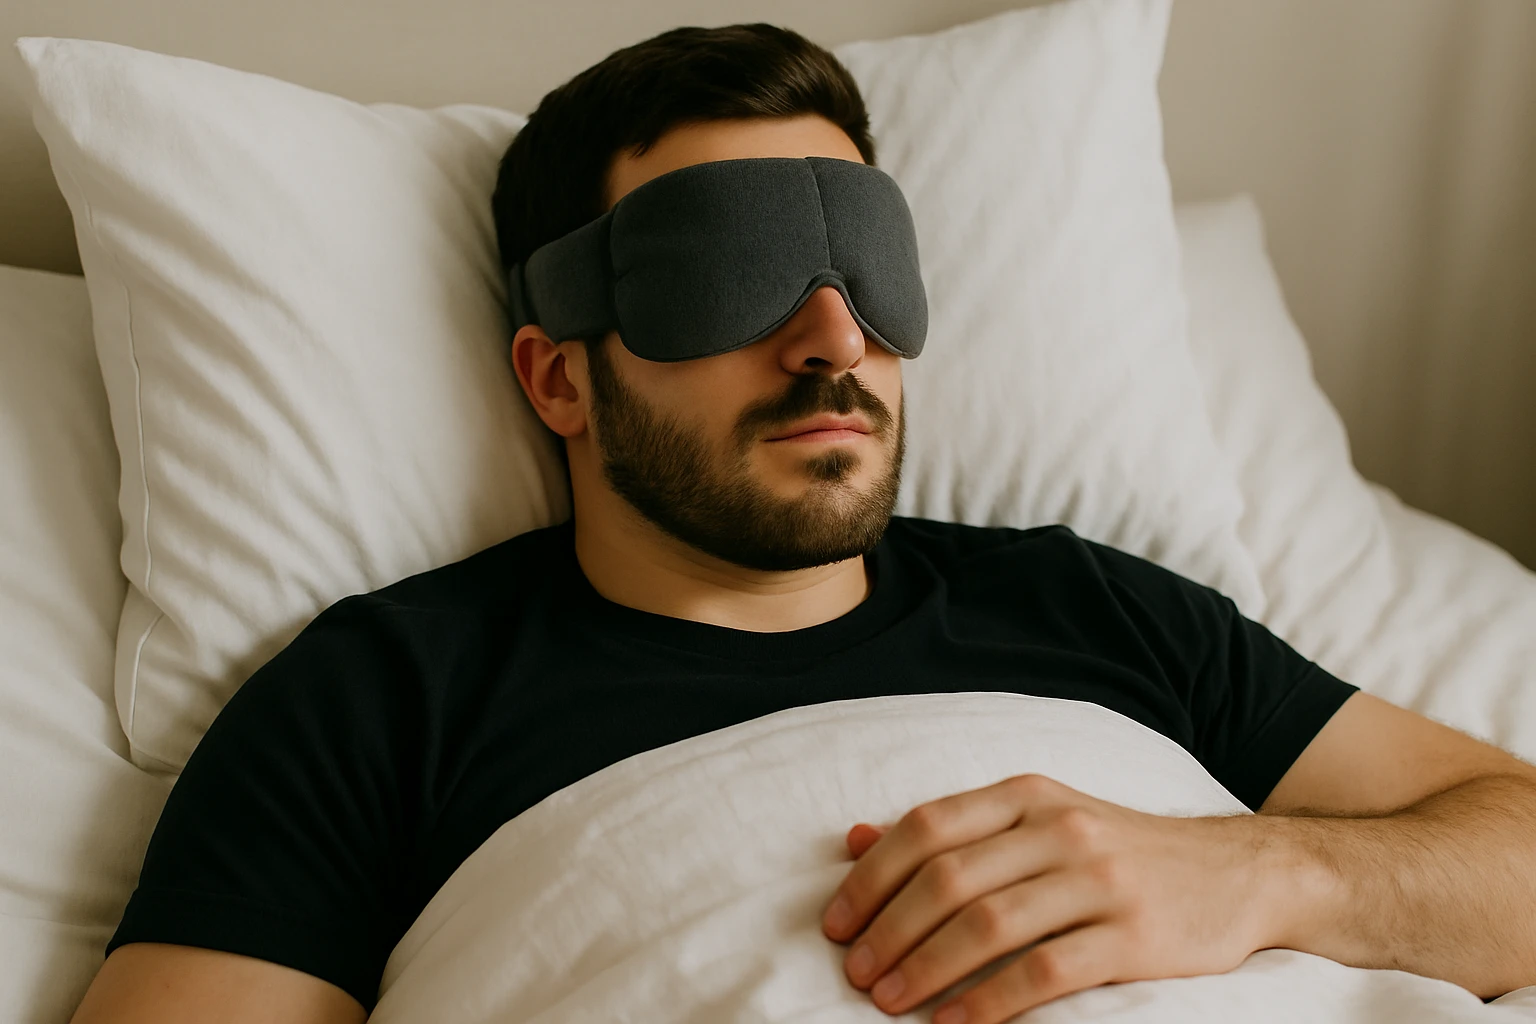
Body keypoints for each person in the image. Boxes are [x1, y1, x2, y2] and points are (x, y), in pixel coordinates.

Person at [68, 22, 1536, 1024]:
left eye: (865, 268)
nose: (831, 334)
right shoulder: (383, 696)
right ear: (559, 375)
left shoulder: (1093, 607)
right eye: (731, 268)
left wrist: (1271, 870)